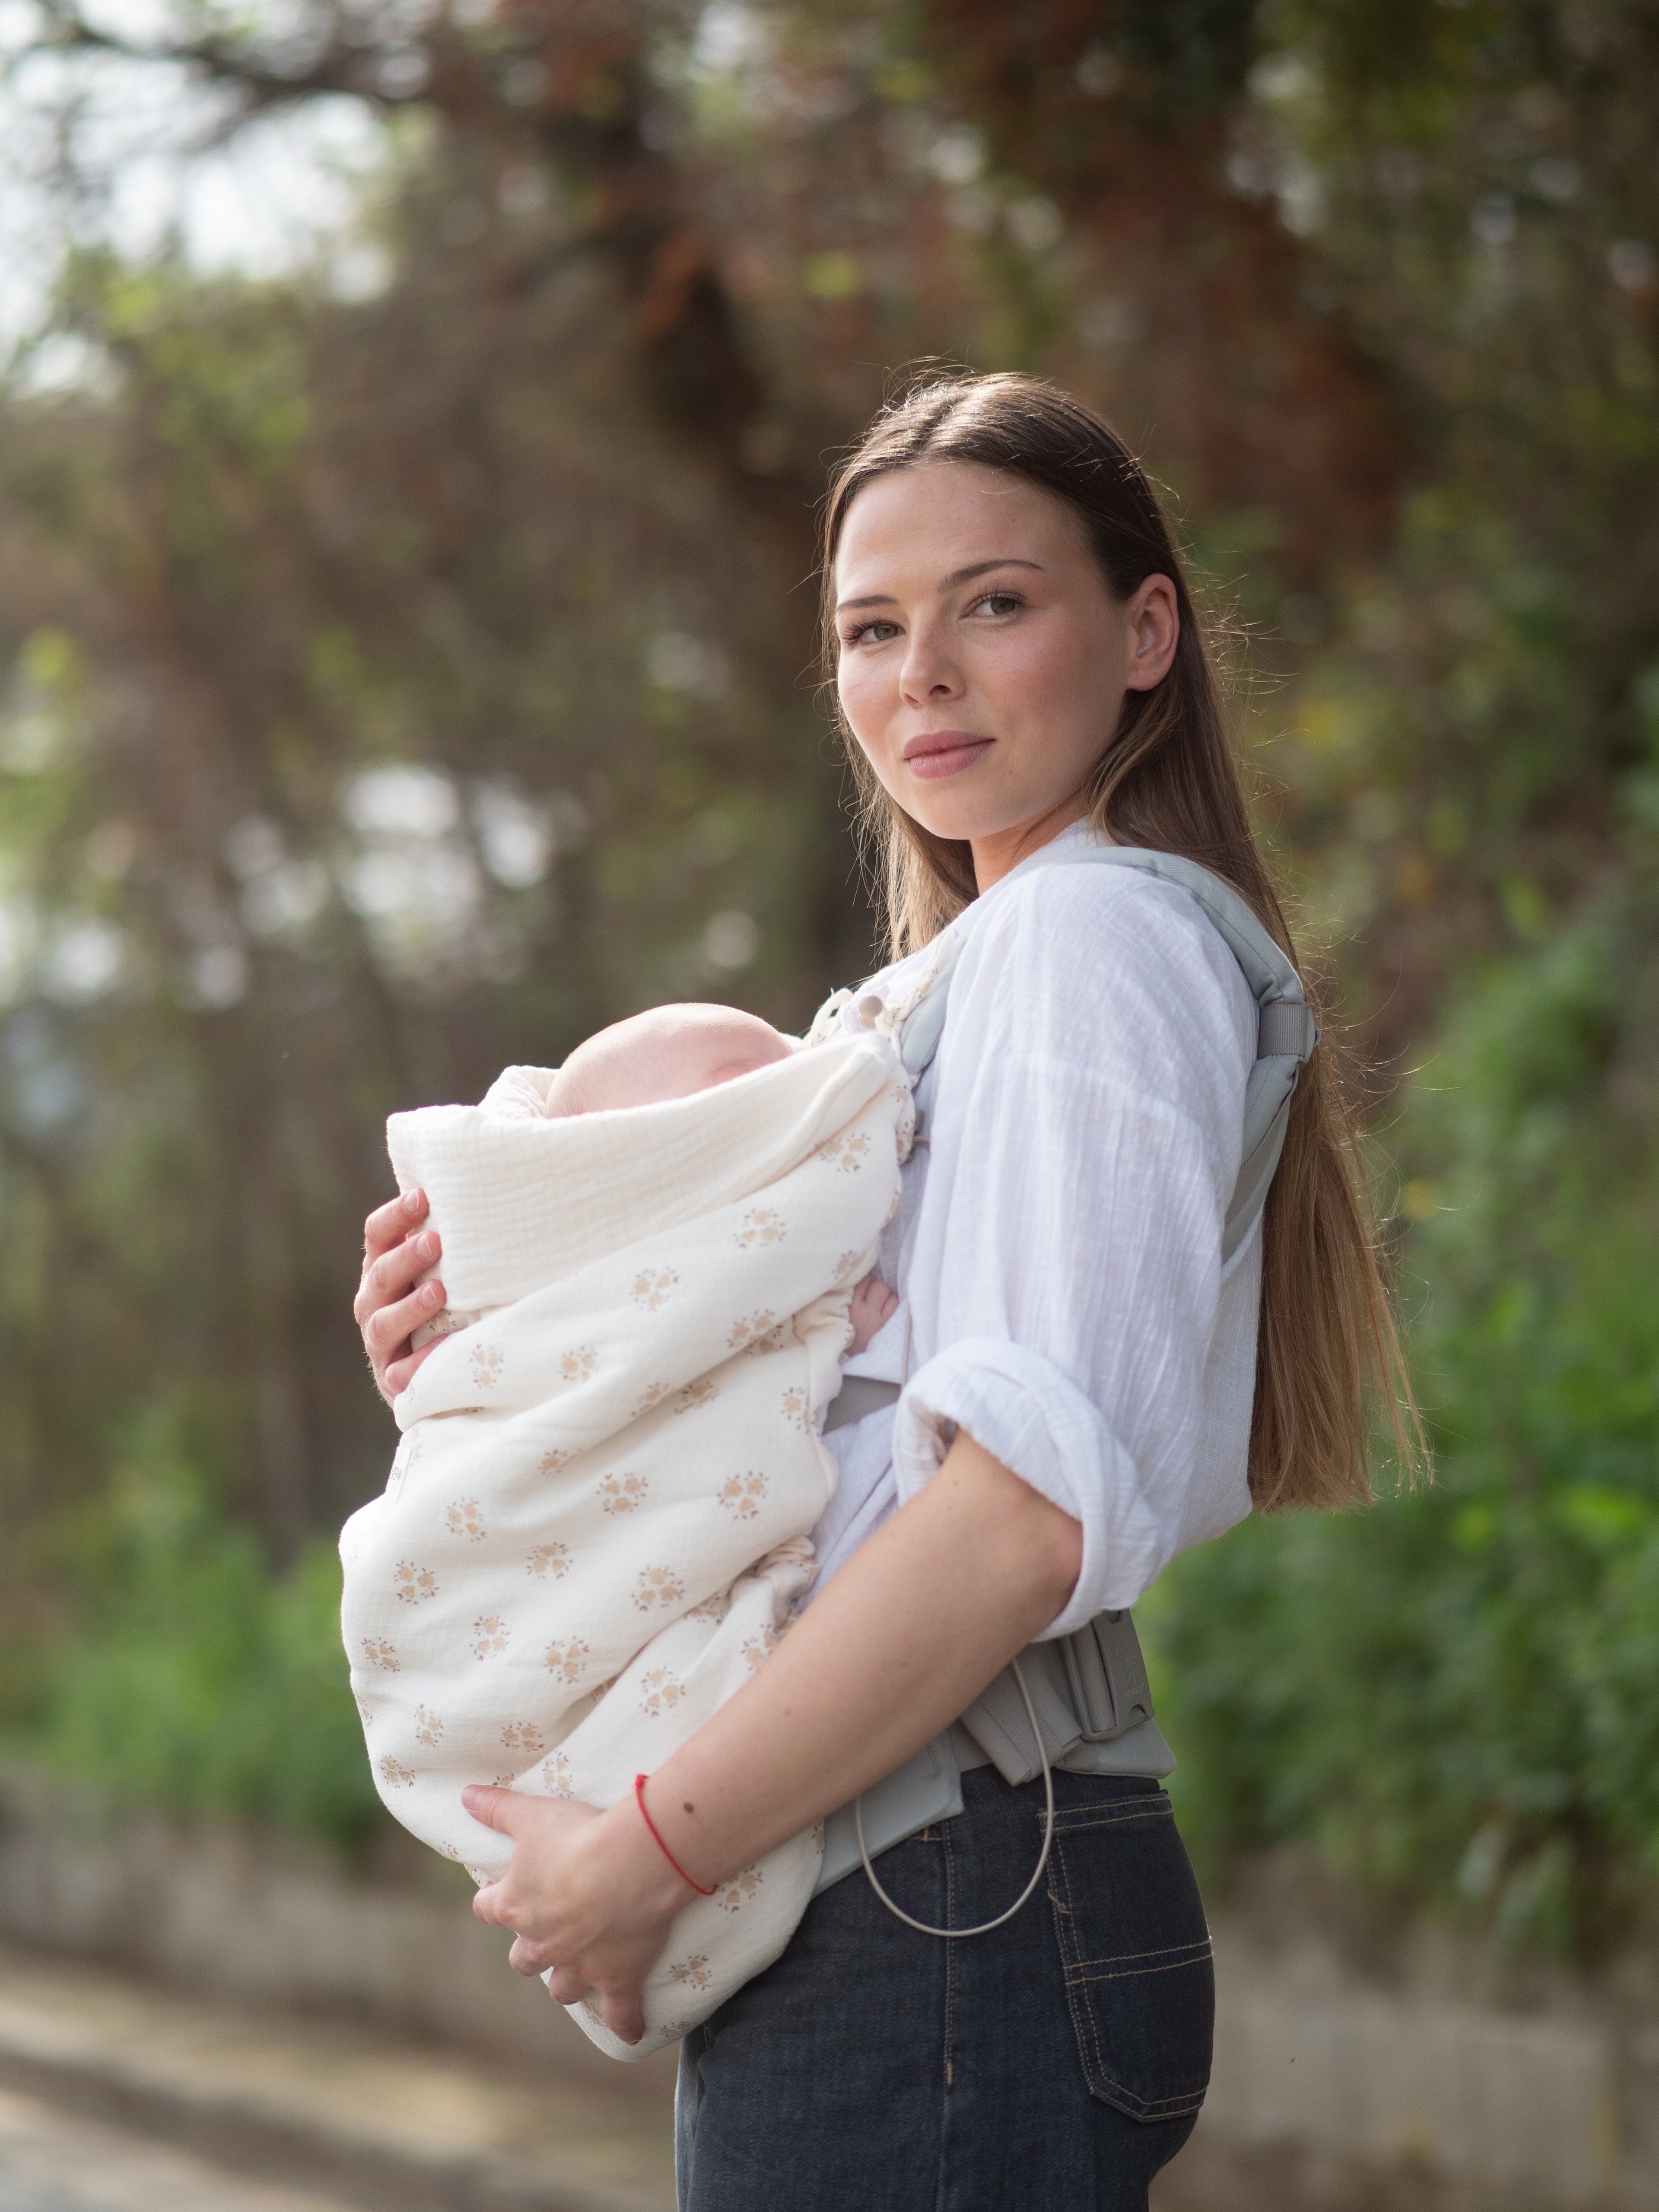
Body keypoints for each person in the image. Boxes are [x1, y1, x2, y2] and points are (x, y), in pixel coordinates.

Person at [353, 372, 1408, 2211]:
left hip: (944, 1881)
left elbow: (1011, 1518)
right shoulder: (975, 978)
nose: (922, 671)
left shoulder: (1090, 940)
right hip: (918, 1881)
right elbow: (803, 1429)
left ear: (1146, 629)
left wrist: (652, 1850)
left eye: (995, 602)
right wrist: (500, 1355)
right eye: (872, 626)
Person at [341, 998, 904, 2059]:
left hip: (815, 1844)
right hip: (766, 1869)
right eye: (730, 1090)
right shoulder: (655, 1276)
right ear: (644, 1163)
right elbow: (541, 1427)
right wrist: (453, 1362)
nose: (776, 1086)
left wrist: (636, 1855)